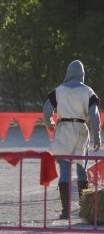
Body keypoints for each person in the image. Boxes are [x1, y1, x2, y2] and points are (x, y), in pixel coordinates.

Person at [43, 60, 101, 219]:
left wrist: (50, 123)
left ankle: (66, 211)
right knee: (81, 171)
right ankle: (85, 210)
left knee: (64, 172)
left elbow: (46, 109)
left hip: (63, 130)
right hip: (81, 130)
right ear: (82, 74)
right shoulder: (88, 91)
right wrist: (97, 136)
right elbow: (94, 115)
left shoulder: (58, 91)